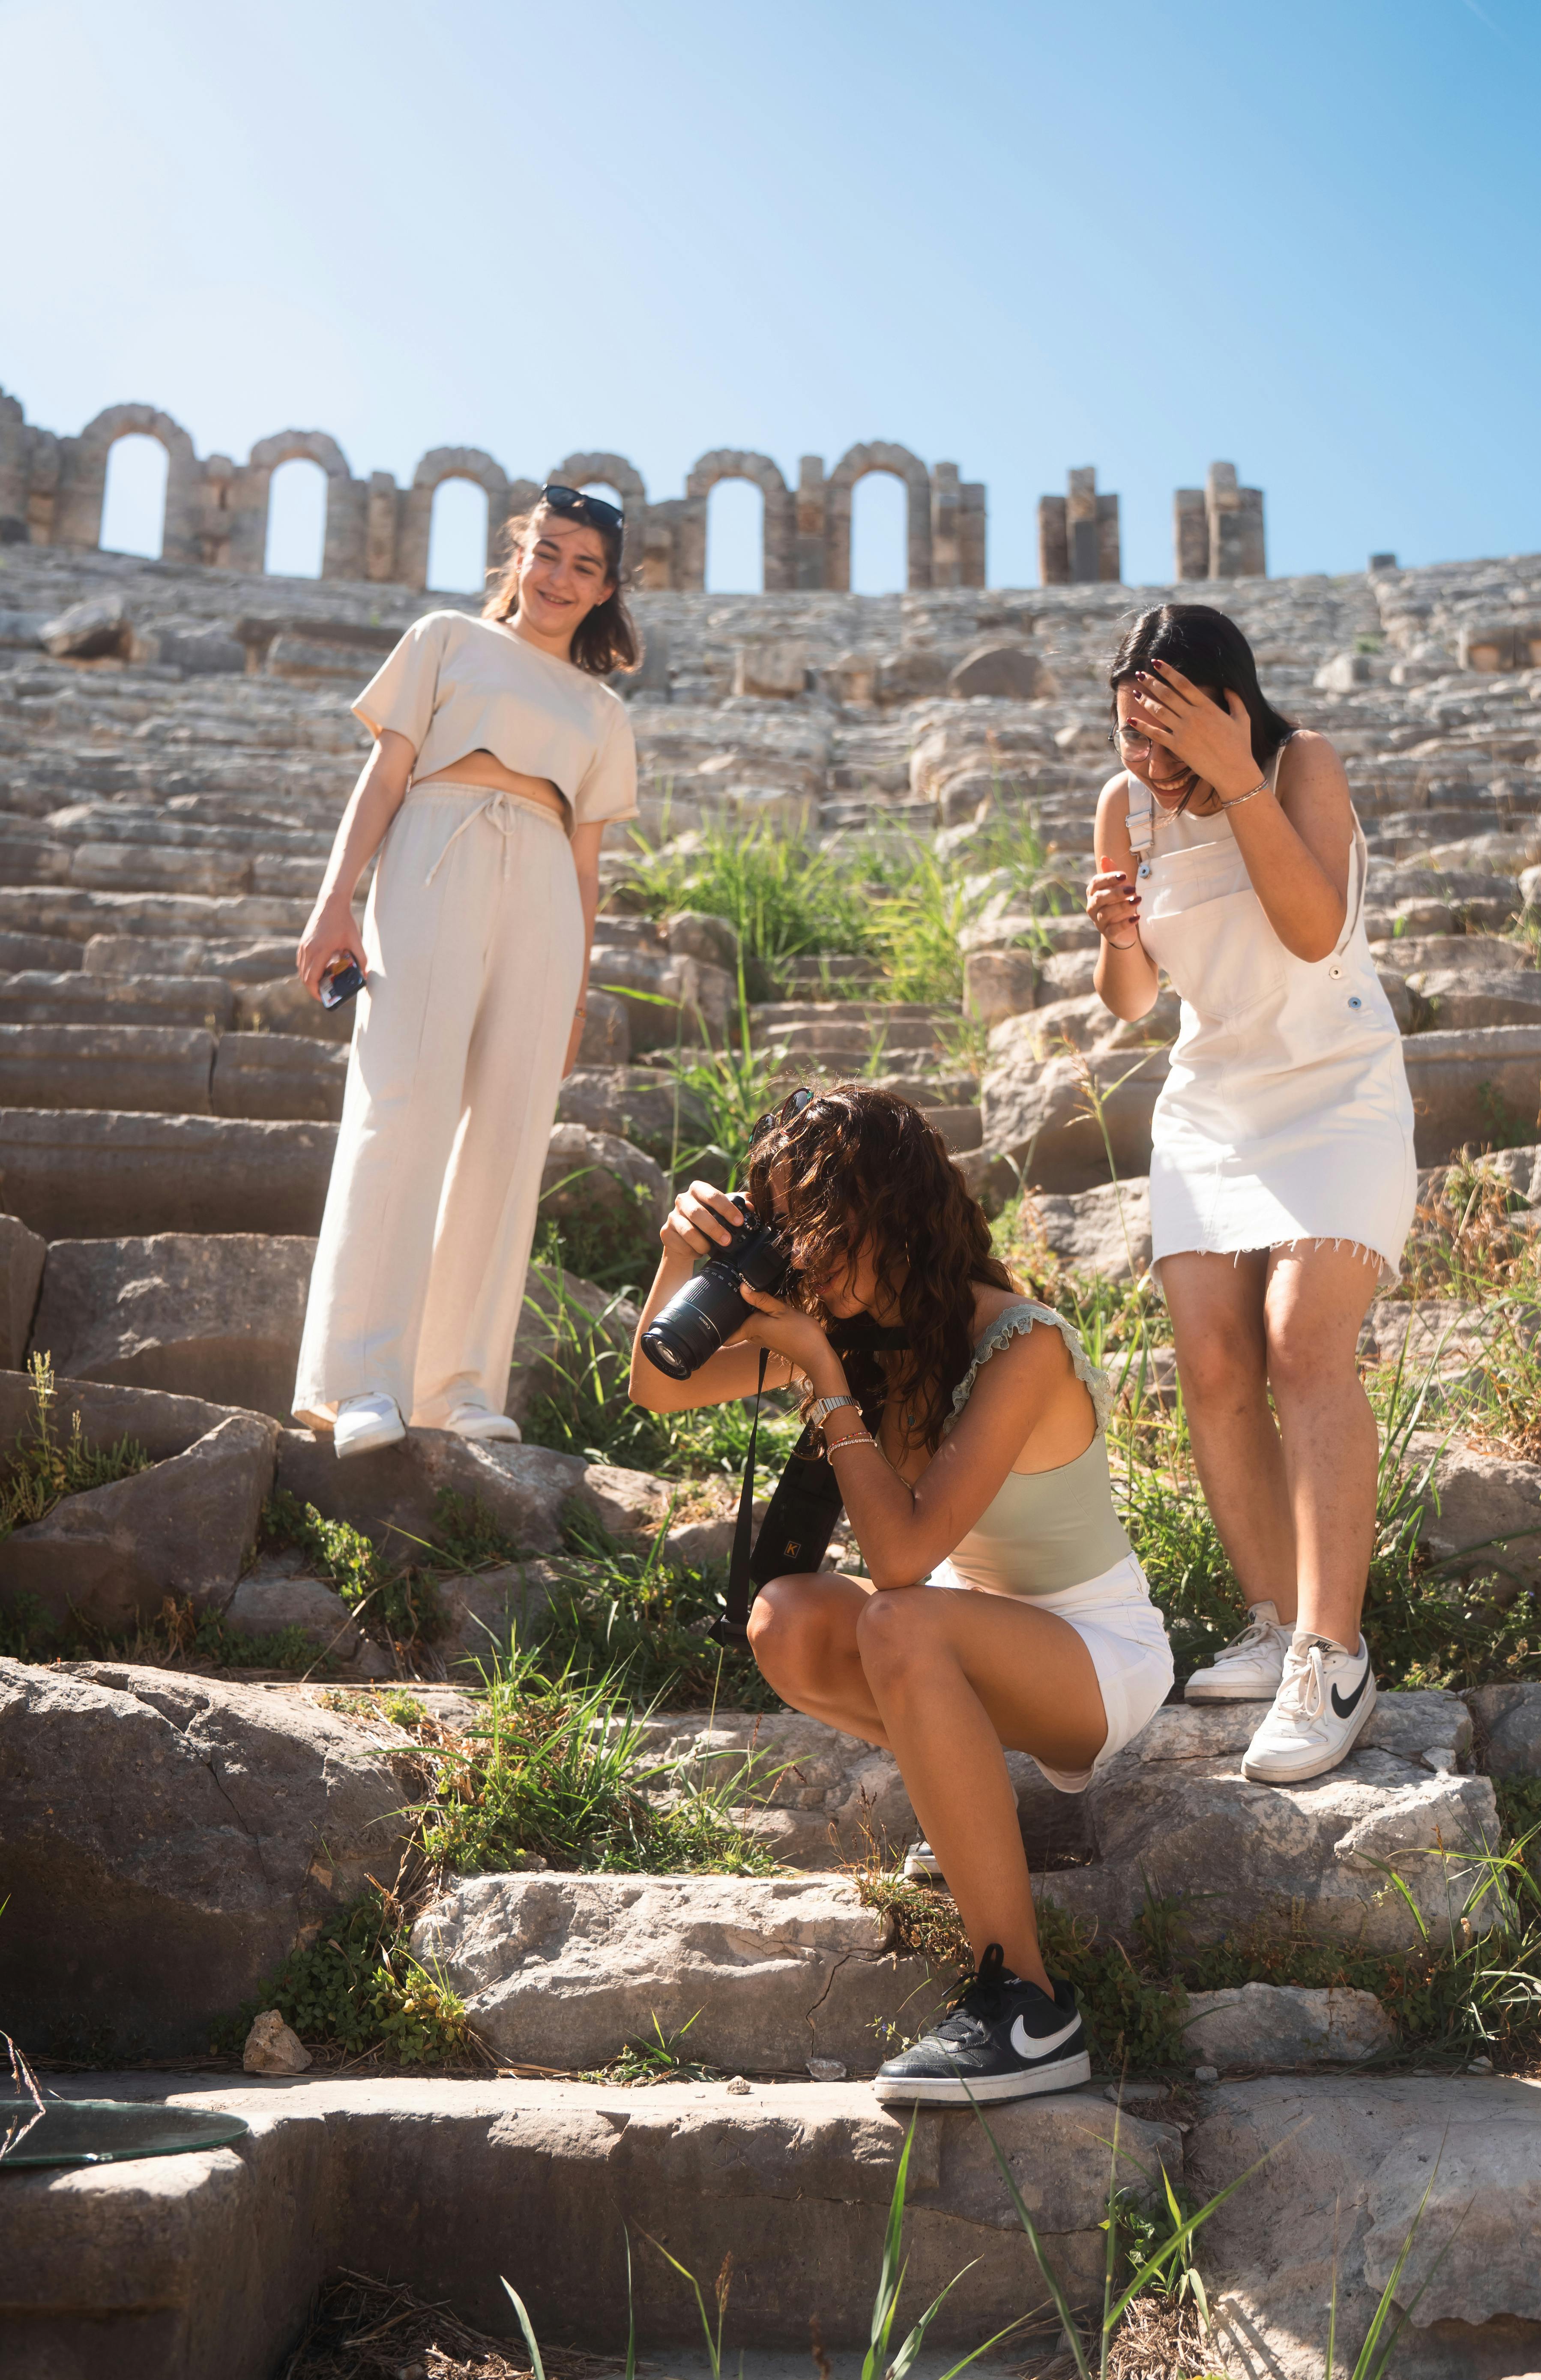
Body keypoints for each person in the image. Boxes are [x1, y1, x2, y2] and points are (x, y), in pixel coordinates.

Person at [627, 1085, 1176, 2105]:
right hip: (975, 1642)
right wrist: (680, 1258)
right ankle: (974, 1800)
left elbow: (904, 1561)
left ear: (891, 1220)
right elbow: (657, 1386)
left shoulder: (1021, 1344)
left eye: (821, 1231)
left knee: (897, 1619)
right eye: (785, 1229)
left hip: (1097, 1663)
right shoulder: (854, 1325)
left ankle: (1028, 2005)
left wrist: (823, 1377)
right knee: (783, 1621)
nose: (803, 1261)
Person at [1085, 602, 1415, 1785]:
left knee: (1301, 1344)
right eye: (1131, 731)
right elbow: (1132, 1004)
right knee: (1214, 1366)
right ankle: (1275, 1622)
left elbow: (1319, 931)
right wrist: (1116, 938)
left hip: (1338, 1088)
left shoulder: (1299, 763)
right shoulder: (1124, 809)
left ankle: (1336, 1659)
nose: (1148, 760)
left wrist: (1238, 781)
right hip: (1212, 1106)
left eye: (1170, 731)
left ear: (1230, 703)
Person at [292, 487, 639, 1458]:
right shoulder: (445, 637)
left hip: (542, 885)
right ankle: (356, 1381)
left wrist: (575, 997)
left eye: (584, 567)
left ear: (606, 590)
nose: (560, 577)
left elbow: (586, 864)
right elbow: (387, 774)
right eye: (548, 553)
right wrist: (334, 900)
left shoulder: (601, 709)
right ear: (518, 555)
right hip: (434, 853)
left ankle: (457, 1386)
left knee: (508, 1134)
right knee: (400, 1107)